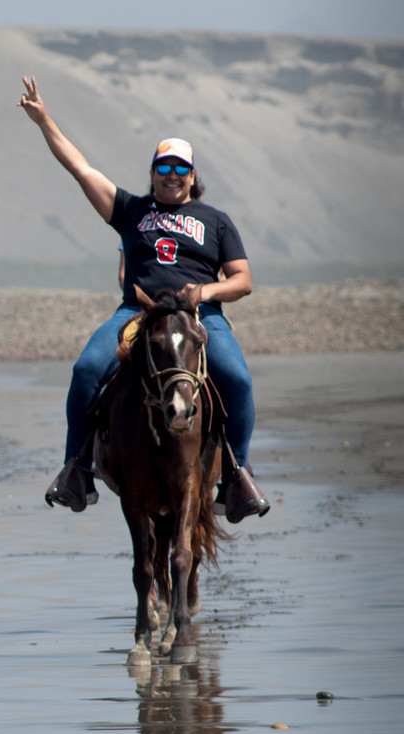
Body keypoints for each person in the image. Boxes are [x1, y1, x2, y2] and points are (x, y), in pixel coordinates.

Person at [17, 75, 269, 522]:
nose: (171, 176)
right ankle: (77, 467)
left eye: (179, 169)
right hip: (138, 312)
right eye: (163, 168)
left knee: (238, 379)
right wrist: (43, 120)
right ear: (153, 173)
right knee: (87, 368)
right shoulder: (133, 210)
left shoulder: (216, 220)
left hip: (197, 316)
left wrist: (205, 291)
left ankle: (237, 475)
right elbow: (81, 168)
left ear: (192, 176)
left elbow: (243, 279)